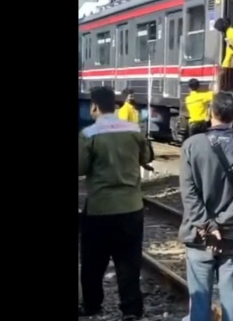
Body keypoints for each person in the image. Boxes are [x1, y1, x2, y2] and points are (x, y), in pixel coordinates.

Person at [179, 91, 233, 321]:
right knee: (232, 304)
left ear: (210, 112)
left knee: (199, 303)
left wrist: (207, 224)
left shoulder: (191, 146)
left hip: (198, 237)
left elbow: (189, 193)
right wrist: (221, 224)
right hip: (232, 237)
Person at [78, 86, 154, 321]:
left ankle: (92, 305)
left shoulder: (88, 134)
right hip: (131, 208)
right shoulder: (133, 130)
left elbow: (80, 168)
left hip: (100, 209)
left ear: (94, 106)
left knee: (92, 264)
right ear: (116, 105)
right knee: (129, 262)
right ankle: (131, 310)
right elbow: (147, 157)